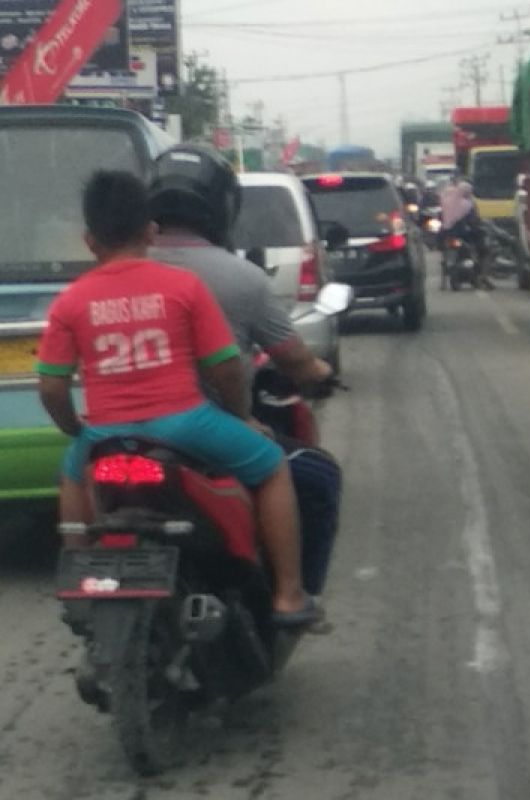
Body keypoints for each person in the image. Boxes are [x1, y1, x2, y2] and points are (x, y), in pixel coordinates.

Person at [35, 170, 318, 627]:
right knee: (272, 468)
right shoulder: (182, 287)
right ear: (150, 231)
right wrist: (241, 415)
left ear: (89, 241)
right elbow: (225, 366)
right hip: (186, 424)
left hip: (106, 433)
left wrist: (77, 431)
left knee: (71, 478)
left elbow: (50, 387)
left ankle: (83, 577)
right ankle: (287, 595)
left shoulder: (70, 301)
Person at [145, 144, 343, 600]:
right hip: (201, 427)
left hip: (120, 426)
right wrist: (317, 371)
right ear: (221, 206)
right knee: (313, 476)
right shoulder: (240, 278)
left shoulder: (114, 274)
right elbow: (267, 364)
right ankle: (291, 595)